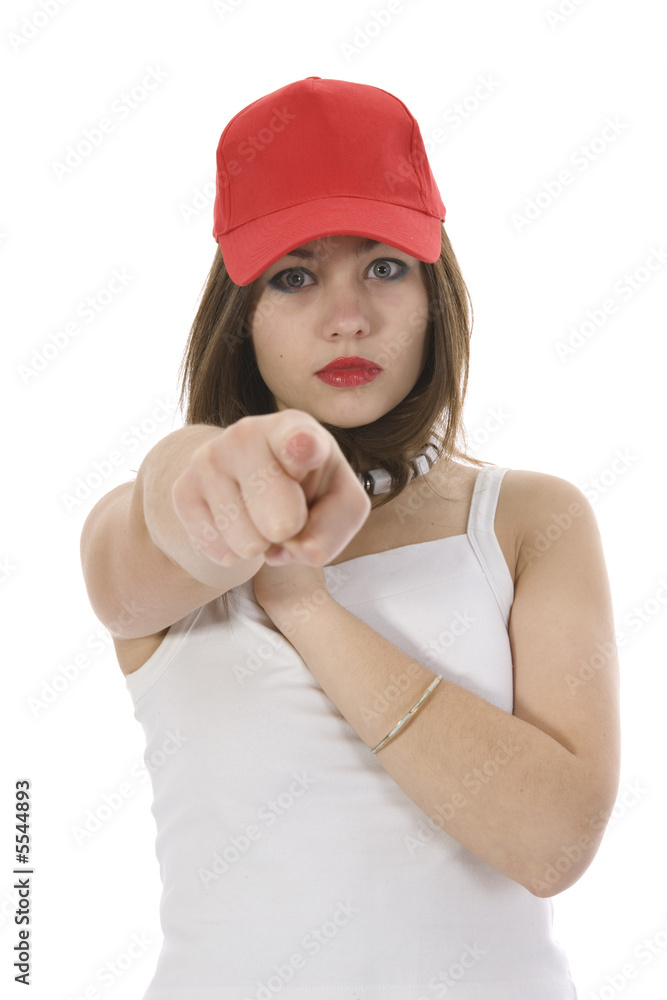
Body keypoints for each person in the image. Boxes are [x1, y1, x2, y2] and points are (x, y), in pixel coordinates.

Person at [80, 76, 621, 1000]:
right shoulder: (160, 532)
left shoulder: (532, 520)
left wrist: (303, 598)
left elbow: (551, 842)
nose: (347, 316)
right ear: (238, 318)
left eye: (382, 266)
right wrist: (218, 467)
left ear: (433, 291)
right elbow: (159, 525)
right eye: (294, 275)